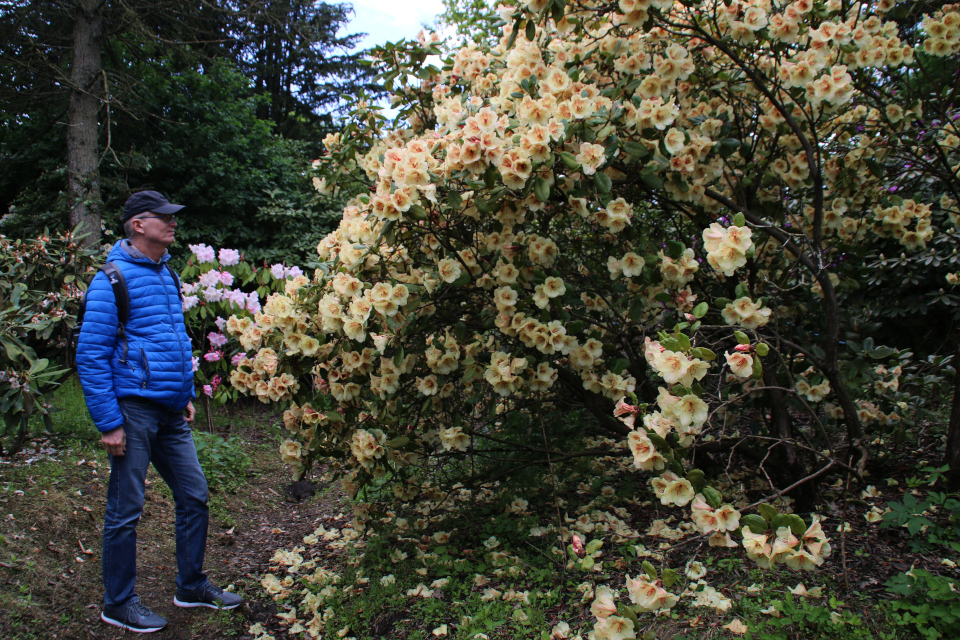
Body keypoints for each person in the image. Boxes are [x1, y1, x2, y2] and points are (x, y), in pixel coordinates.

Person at [76, 190, 242, 633]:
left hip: (169, 410)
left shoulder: (166, 273)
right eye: (163, 217)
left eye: (172, 216)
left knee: (194, 495)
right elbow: (91, 355)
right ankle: (119, 603)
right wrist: (108, 422)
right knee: (126, 509)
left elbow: (171, 338)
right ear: (137, 225)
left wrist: (183, 392)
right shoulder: (111, 280)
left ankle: (190, 586)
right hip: (132, 411)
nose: (172, 223)